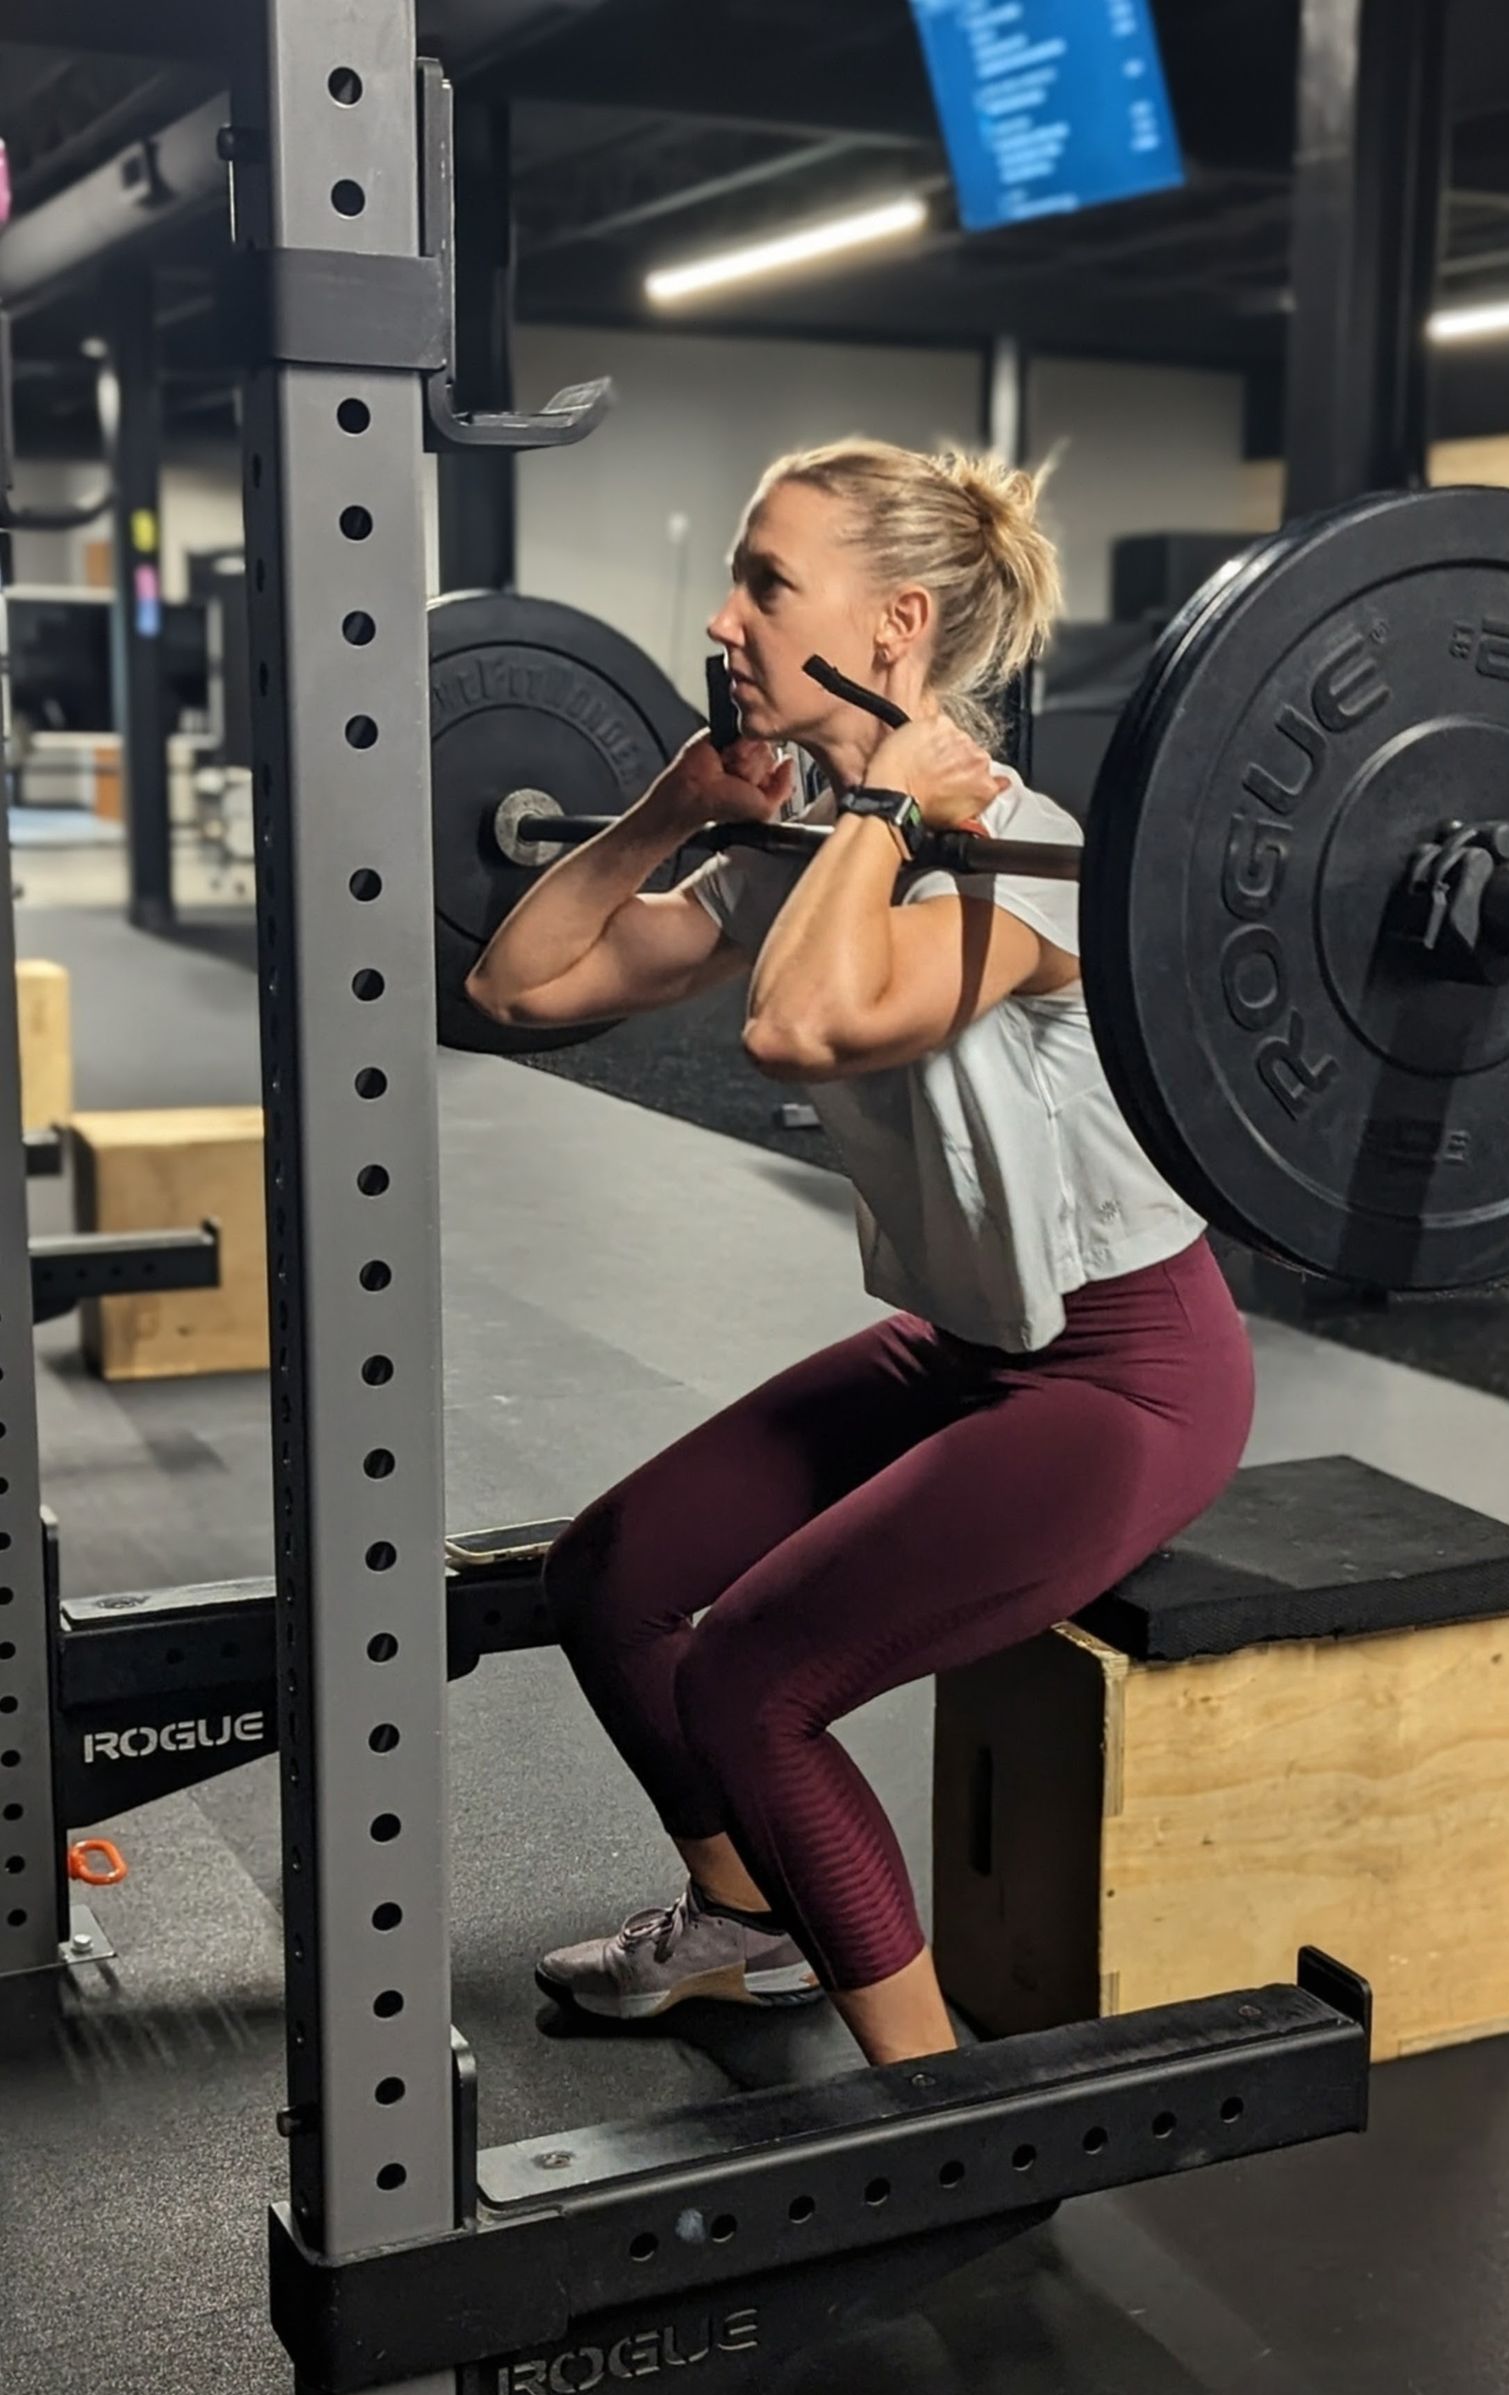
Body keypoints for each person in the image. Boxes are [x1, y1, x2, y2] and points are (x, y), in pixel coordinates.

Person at [464, 438, 1255, 2069]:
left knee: (752, 1680)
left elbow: (800, 1025)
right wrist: (675, 803)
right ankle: (745, 1924)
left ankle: (931, 2107)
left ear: (893, 626)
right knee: (609, 1578)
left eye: (768, 580)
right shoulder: (829, 844)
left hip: (1126, 1377)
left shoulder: (1017, 860)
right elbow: (518, 989)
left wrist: (894, 802)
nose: (726, 613)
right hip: (965, 1352)